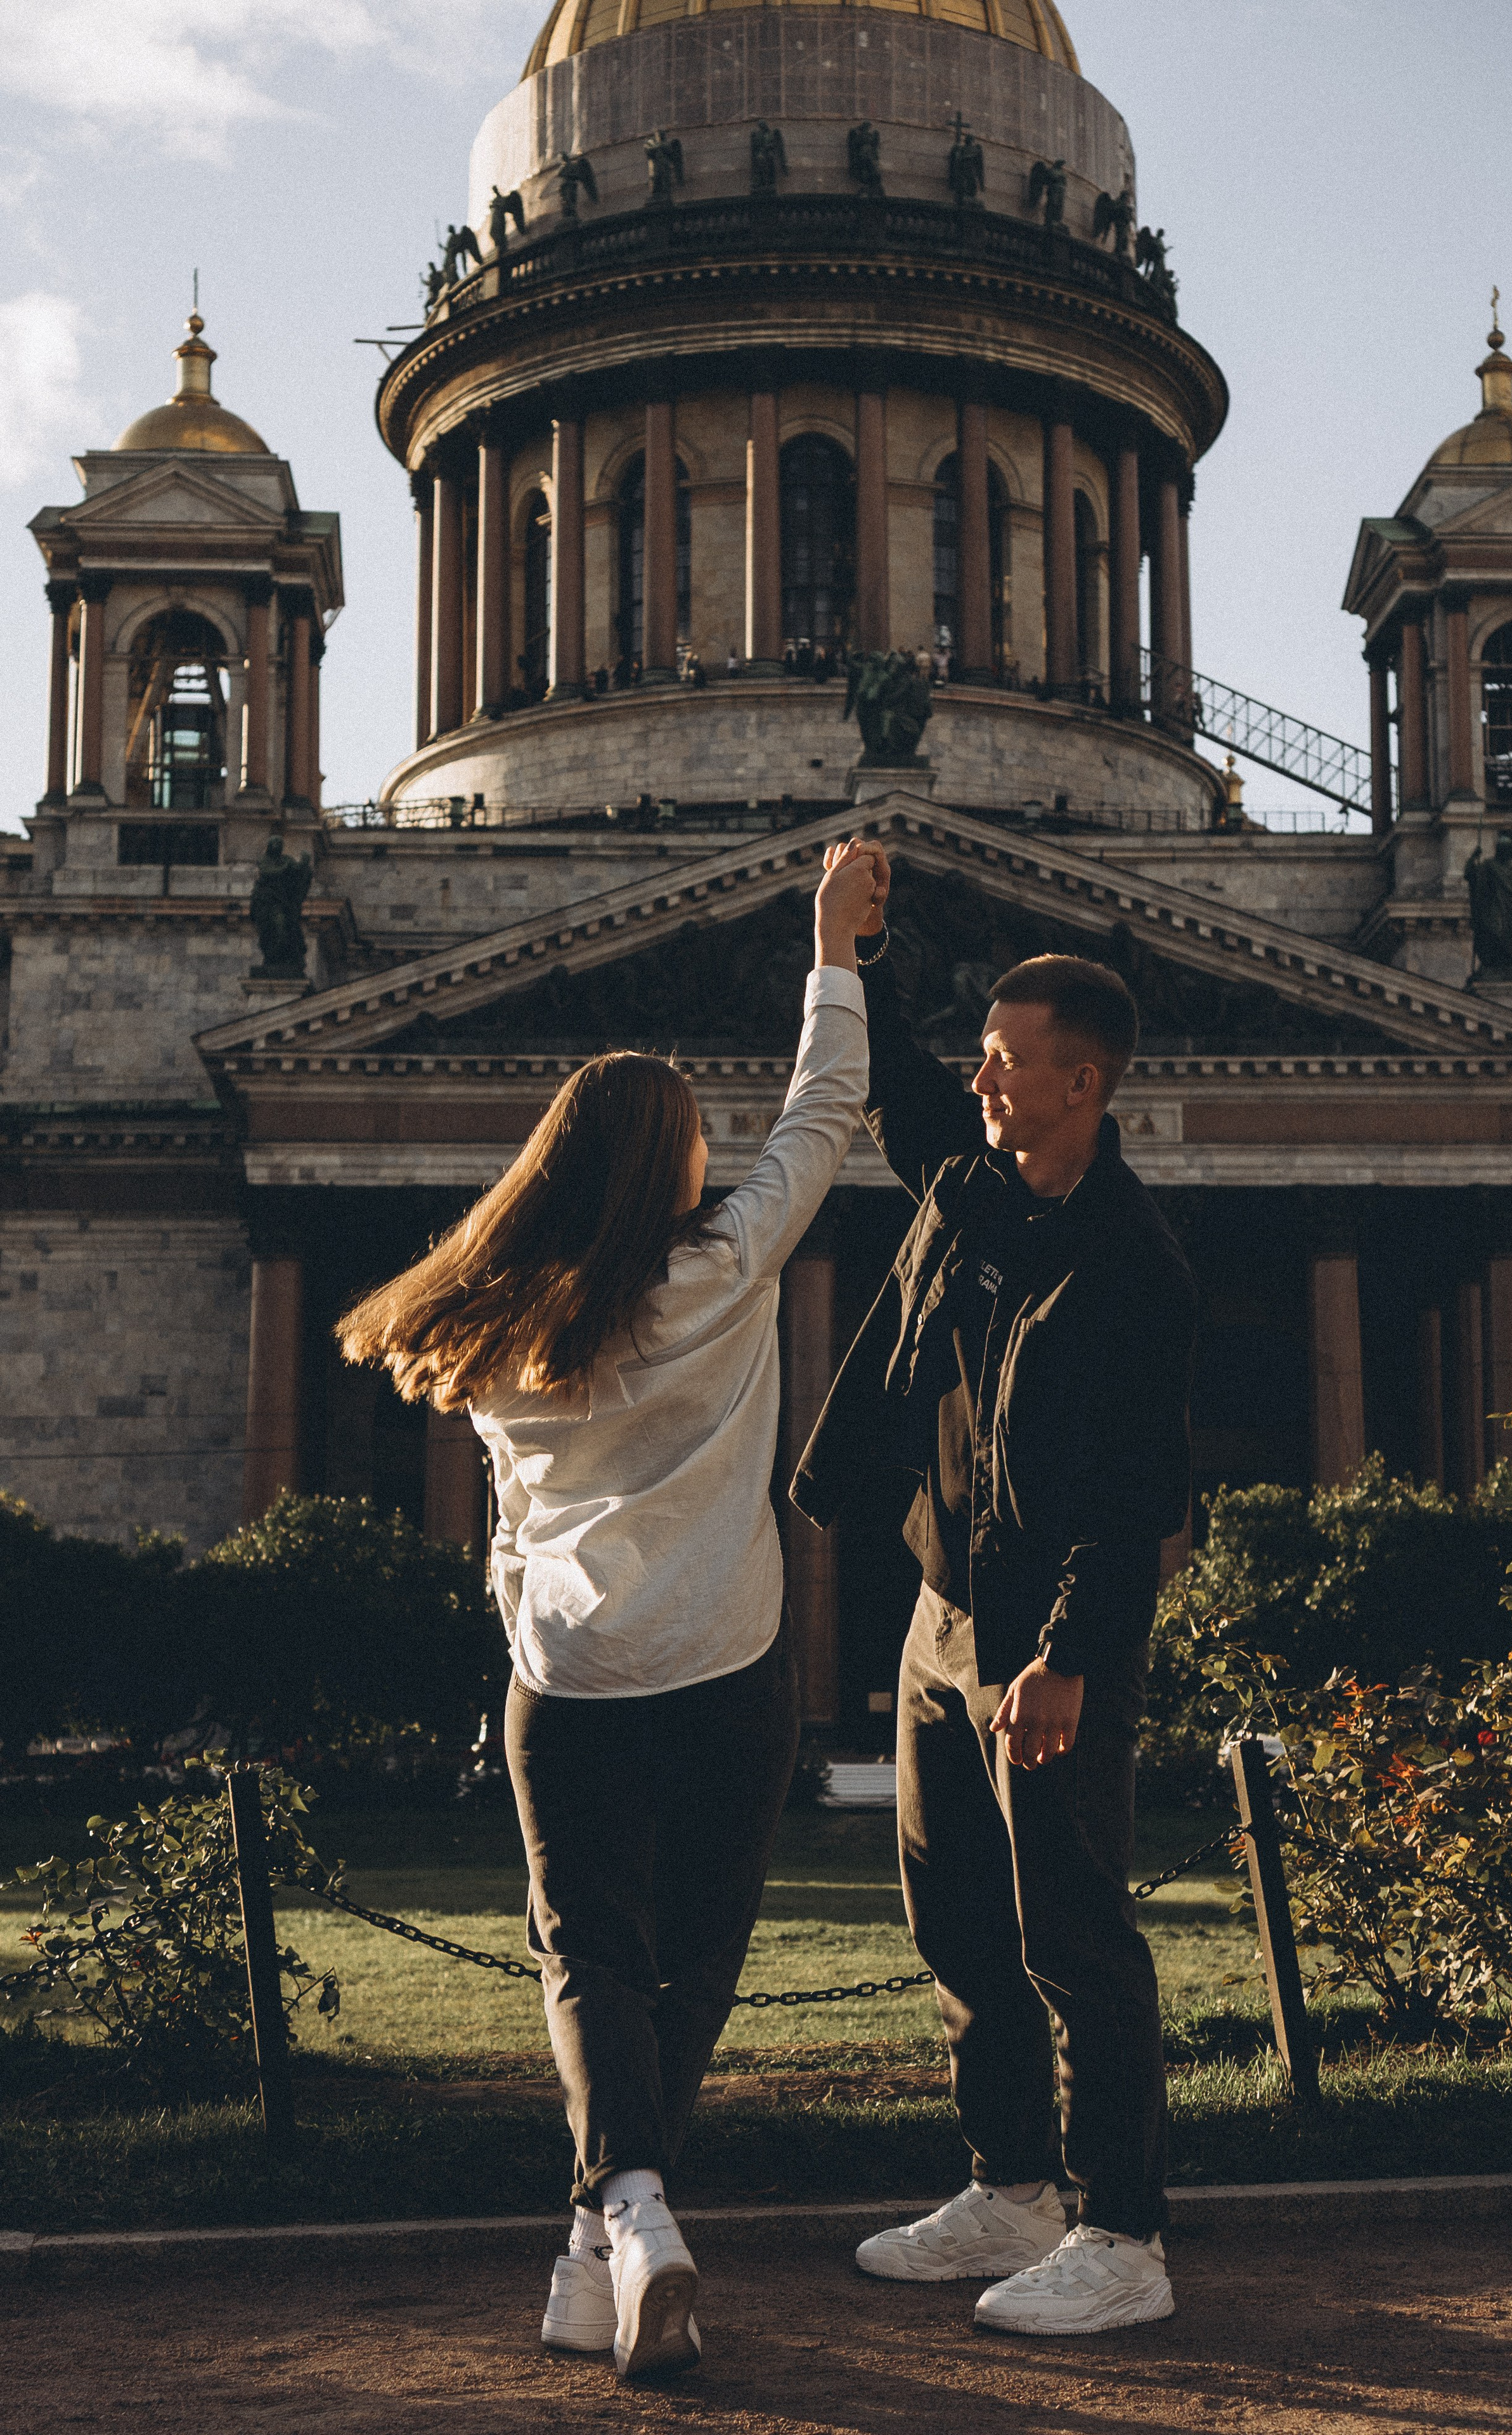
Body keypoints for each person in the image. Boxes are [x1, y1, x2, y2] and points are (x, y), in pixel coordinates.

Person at [338, 842, 878, 2381]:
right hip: (729, 1665)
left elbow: (509, 1526)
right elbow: (825, 1110)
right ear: (674, 1165)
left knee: (585, 1957)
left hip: (563, 1680)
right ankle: (633, 2211)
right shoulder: (723, 1273)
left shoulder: (494, 1329)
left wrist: (526, 1621)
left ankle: (609, 2233)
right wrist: (830, 945)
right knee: (689, 1963)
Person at [792, 840, 1196, 2339]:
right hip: (941, 1612)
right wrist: (851, 948)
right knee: (954, 1915)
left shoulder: (1131, 1268)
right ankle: (1012, 2188)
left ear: (1079, 1083)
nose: (978, 1077)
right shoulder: (973, 1190)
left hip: (1042, 1641)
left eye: (1004, 1060)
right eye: (980, 1053)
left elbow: (1134, 1494)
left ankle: (1124, 2234)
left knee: (1073, 1933)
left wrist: (1069, 1657)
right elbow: (898, 1091)